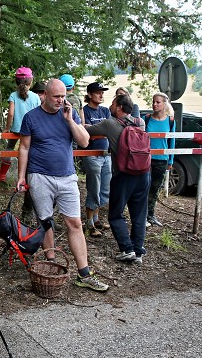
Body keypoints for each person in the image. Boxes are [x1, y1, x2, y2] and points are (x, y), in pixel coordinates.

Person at [16, 79, 109, 292]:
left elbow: (85, 141)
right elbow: (24, 147)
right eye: (56, 96)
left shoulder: (69, 113)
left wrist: (69, 120)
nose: (61, 100)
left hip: (67, 177)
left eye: (63, 96)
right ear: (46, 95)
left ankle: (84, 273)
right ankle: (51, 264)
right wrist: (21, 176)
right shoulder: (31, 117)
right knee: (45, 222)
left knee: (74, 223)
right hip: (40, 176)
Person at [85, 94, 149, 264]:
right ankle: (138, 251)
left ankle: (127, 249)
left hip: (124, 175)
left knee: (115, 214)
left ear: (120, 106)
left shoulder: (109, 124)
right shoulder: (140, 122)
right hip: (143, 173)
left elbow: (87, 130)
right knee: (139, 215)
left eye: (113, 104)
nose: (111, 106)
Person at [0, 67, 41, 184]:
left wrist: (7, 128)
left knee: (9, 149)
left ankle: (3, 173)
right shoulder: (35, 97)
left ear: (16, 81)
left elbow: (10, 113)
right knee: (29, 150)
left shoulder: (13, 95)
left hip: (16, 130)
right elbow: (38, 114)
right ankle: (28, 175)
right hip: (31, 130)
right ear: (31, 81)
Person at [80, 82, 112, 237]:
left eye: (102, 92)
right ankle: (89, 223)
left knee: (104, 188)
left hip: (106, 154)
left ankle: (97, 218)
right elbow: (86, 134)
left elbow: (111, 130)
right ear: (90, 94)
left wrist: (96, 131)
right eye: (98, 92)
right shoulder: (84, 111)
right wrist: (102, 132)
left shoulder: (105, 111)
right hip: (91, 153)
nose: (101, 95)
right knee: (94, 187)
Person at [143, 92, 176, 227]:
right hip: (146, 159)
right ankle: (141, 216)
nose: (155, 104)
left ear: (164, 104)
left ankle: (150, 215)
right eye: (153, 102)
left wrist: (170, 160)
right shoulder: (147, 118)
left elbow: (172, 140)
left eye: (158, 102)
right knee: (144, 187)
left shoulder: (170, 120)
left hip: (162, 159)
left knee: (155, 189)